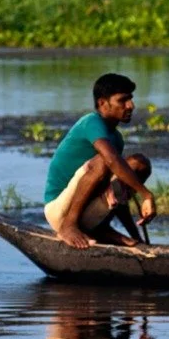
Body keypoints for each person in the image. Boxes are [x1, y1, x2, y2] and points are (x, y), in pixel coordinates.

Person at [43, 73, 156, 248]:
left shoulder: (116, 139)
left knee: (139, 164)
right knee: (104, 160)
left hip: (86, 213)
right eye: (122, 100)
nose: (130, 106)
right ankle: (68, 227)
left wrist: (137, 238)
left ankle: (98, 229)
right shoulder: (91, 122)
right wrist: (146, 195)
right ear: (103, 103)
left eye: (131, 100)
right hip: (61, 211)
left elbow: (120, 195)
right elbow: (110, 160)